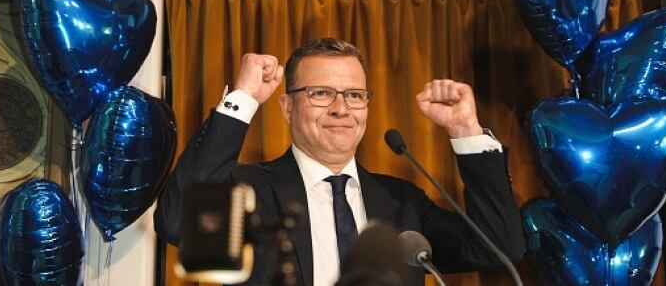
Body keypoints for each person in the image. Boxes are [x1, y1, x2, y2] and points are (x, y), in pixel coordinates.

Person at [155, 38, 525, 285]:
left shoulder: (403, 203)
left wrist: (465, 129)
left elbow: (499, 247)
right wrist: (243, 97)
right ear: (287, 107)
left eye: (354, 95)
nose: (340, 109)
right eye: (320, 93)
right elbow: (177, 222)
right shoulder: (250, 190)